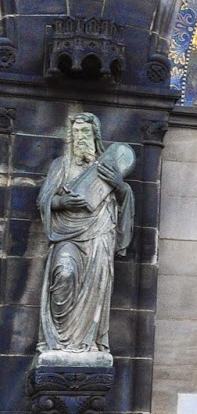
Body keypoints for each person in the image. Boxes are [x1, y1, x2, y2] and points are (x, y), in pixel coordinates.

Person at [37, 114, 135, 357]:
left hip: (100, 235)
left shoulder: (107, 166)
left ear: (95, 136)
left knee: (97, 289)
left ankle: (89, 343)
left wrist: (121, 186)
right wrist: (62, 202)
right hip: (67, 236)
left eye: (85, 132)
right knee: (65, 273)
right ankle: (59, 341)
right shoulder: (61, 165)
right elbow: (44, 199)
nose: (80, 137)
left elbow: (124, 199)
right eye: (76, 133)